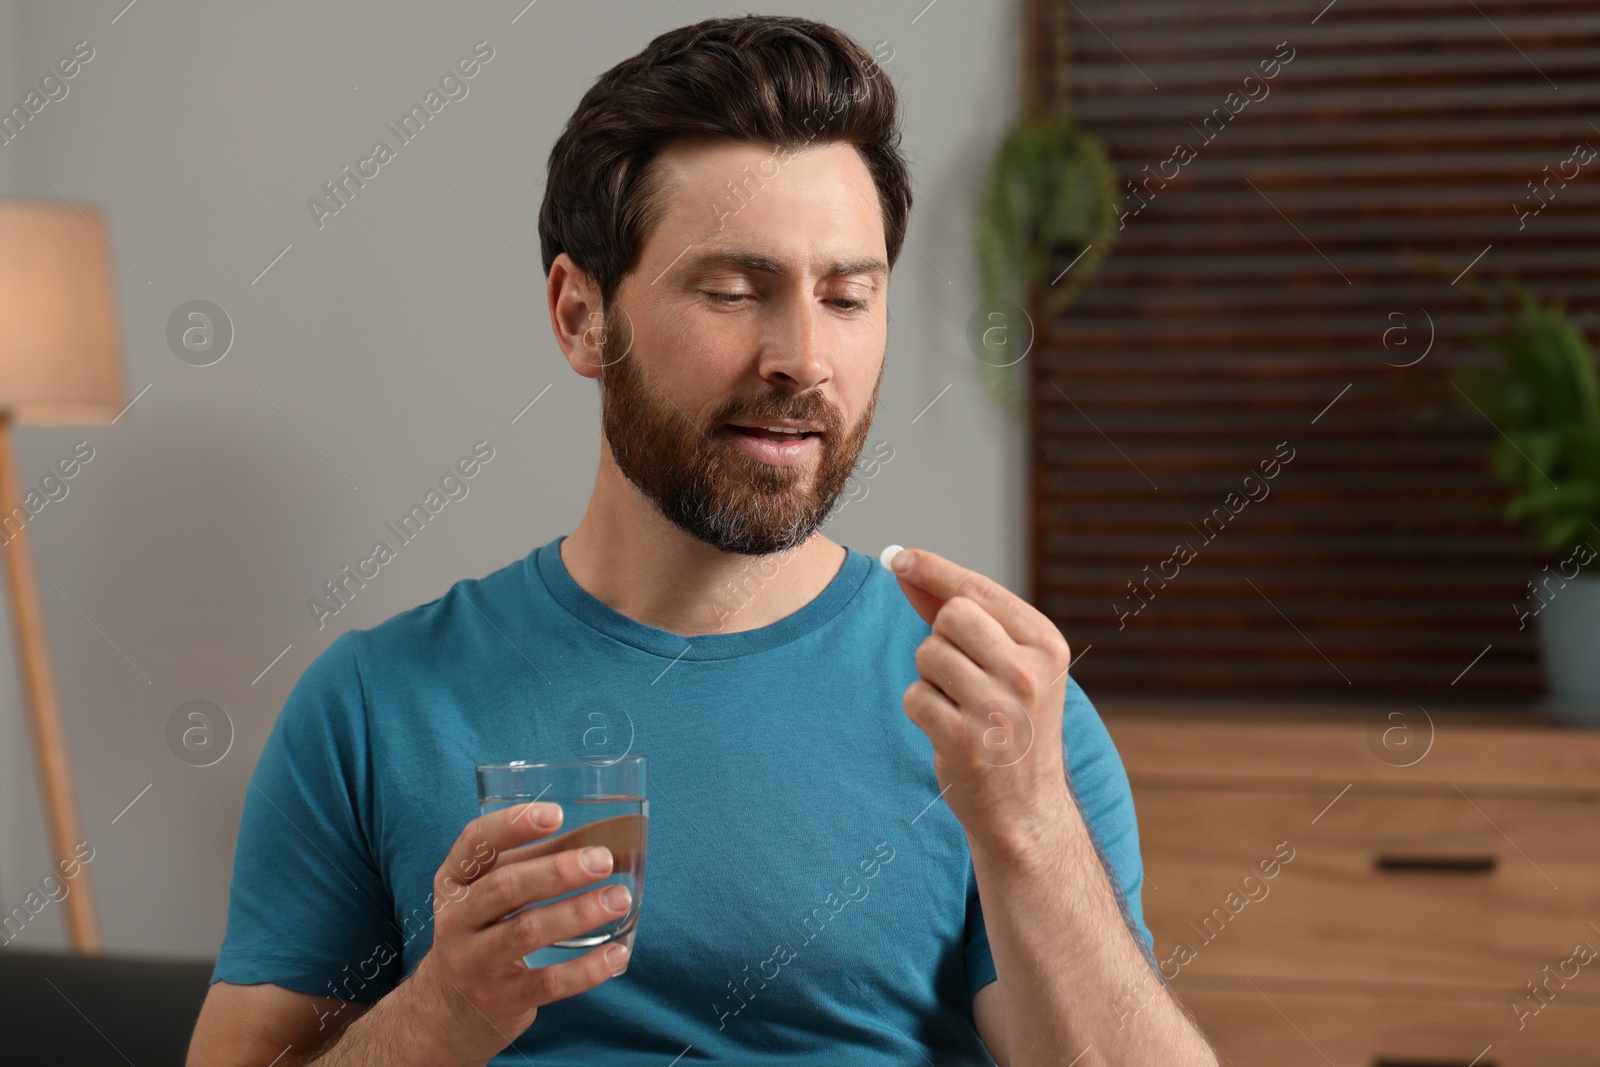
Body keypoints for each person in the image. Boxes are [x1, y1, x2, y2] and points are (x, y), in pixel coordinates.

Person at [187, 14, 1217, 1066]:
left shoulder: (995, 716)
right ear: (582, 315)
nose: (803, 357)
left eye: (847, 296)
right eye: (733, 290)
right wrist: (442, 1011)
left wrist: (1029, 820)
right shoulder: (374, 703)